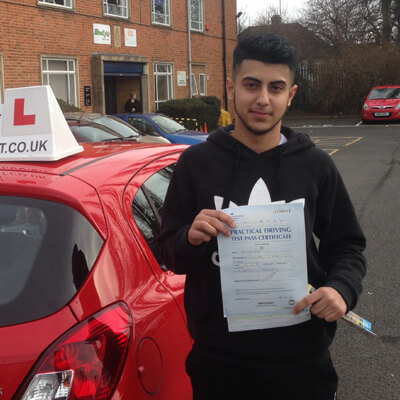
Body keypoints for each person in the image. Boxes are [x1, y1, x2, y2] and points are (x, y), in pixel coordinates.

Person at [158, 33, 366, 400]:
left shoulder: (316, 165)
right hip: (219, 365)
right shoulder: (195, 164)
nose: (263, 99)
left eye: (276, 87)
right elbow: (167, 252)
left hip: (302, 363)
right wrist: (189, 237)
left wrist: (341, 289)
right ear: (231, 88)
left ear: (291, 94)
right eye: (251, 85)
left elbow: (347, 246)